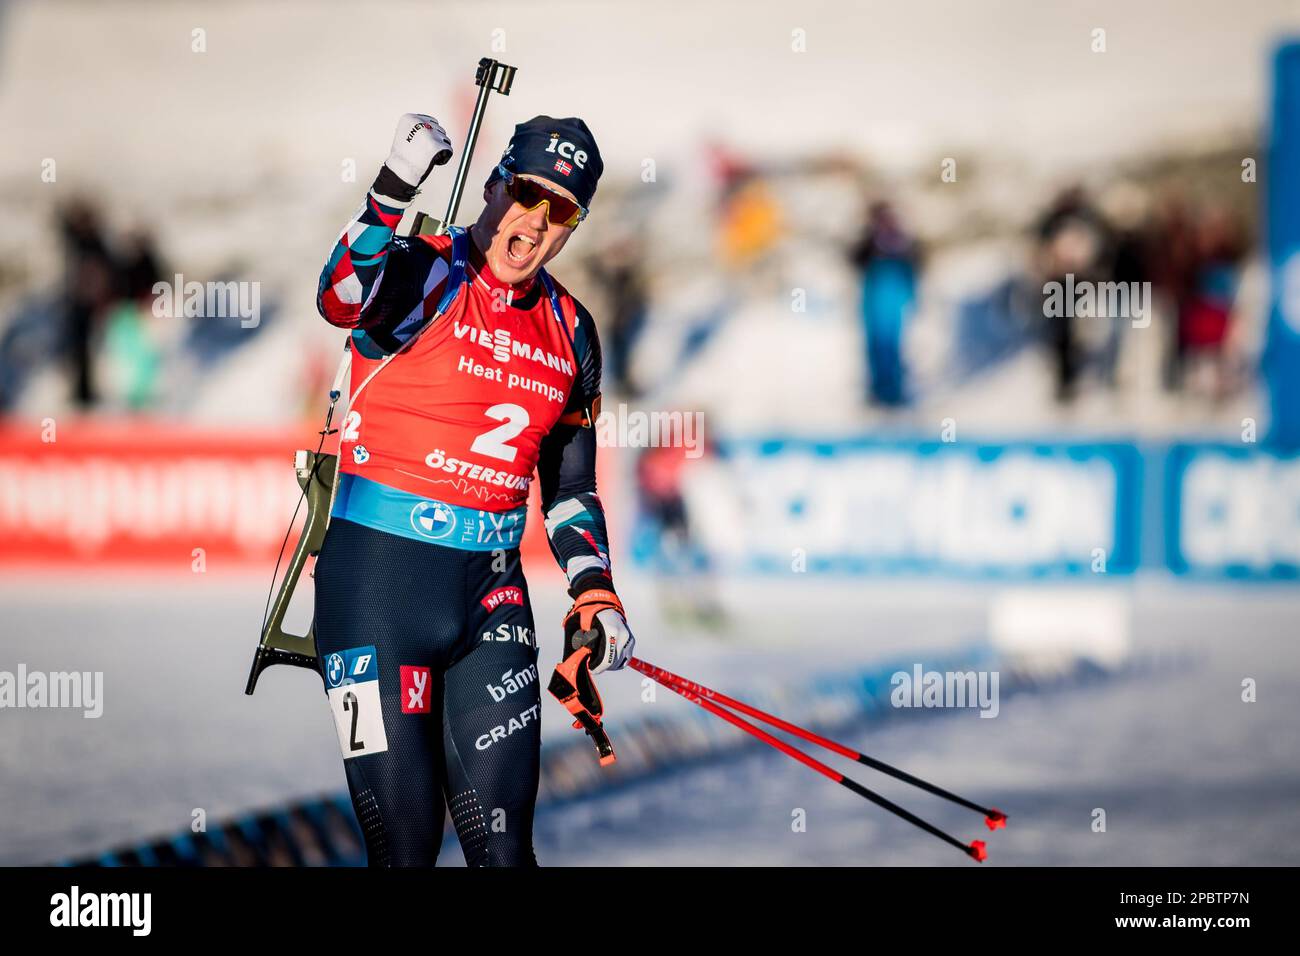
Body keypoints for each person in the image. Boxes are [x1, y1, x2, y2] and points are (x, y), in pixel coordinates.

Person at [313, 112, 636, 866]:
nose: (535, 220)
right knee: (408, 845)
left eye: (562, 209)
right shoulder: (425, 270)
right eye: (527, 192)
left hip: (492, 597)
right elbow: (339, 296)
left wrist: (595, 593)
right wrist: (394, 186)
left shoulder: (573, 330)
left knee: (504, 849)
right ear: (494, 186)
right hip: (376, 591)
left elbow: (570, 485)